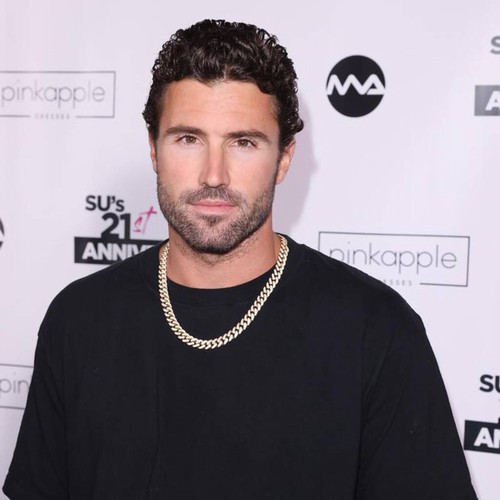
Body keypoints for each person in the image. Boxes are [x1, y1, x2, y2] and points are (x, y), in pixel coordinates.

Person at [3, 19, 477, 500]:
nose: (214, 175)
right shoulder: (78, 319)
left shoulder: (376, 330)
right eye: (188, 139)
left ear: (284, 158)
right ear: (153, 150)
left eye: (243, 142)